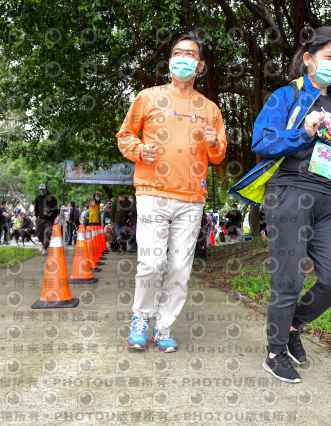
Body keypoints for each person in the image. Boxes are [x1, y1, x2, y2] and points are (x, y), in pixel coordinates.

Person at [241, 26, 331, 383]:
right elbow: (262, 142)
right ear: (308, 59)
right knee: (288, 279)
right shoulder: (286, 95)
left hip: (327, 200)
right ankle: (275, 352)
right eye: (329, 56)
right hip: (289, 191)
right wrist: (302, 132)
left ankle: (293, 325)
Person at [116, 32, 227, 352]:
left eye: (190, 55)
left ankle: (163, 327)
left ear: (200, 66)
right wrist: (140, 150)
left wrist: (213, 143)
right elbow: (125, 136)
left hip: (191, 199)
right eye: (178, 53)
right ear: (169, 62)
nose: (183, 59)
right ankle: (141, 319)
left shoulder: (210, 109)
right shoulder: (148, 97)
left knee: (180, 268)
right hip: (152, 192)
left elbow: (219, 154)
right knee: (152, 263)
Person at [34, 183, 59, 255]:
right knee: (39, 233)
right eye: (41, 189)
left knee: (47, 233)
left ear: (47, 189)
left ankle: (45, 247)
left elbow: (55, 209)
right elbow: (36, 208)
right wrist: (36, 216)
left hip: (49, 219)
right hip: (40, 219)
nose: (42, 191)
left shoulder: (52, 198)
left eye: (43, 189)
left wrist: (50, 213)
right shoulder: (38, 198)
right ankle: (42, 244)